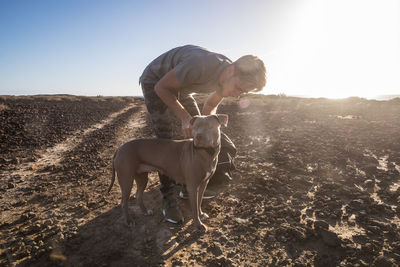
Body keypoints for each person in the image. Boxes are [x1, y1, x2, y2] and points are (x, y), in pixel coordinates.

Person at [139, 45, 266, 224]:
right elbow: (162, 88)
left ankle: (187, 183)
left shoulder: (226, 80)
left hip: (180, 88)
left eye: (242, 92)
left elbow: (209, 108)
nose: (237, 95)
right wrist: (184, 118)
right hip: (156, 82)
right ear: (231, 71)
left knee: (197, 129)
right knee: (166, 139)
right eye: (238, 88)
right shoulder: (201, 65)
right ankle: (169, 198)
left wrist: (209, 127)